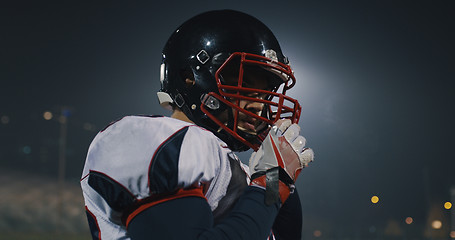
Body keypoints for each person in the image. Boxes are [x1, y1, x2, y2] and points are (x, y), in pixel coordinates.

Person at [80, 9, 314, 240]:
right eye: (244, 84)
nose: (257, 105)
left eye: (264, 94)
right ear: (189, 77)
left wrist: (275, 179)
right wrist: (266, 184)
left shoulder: (240, 171)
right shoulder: (155, 140)